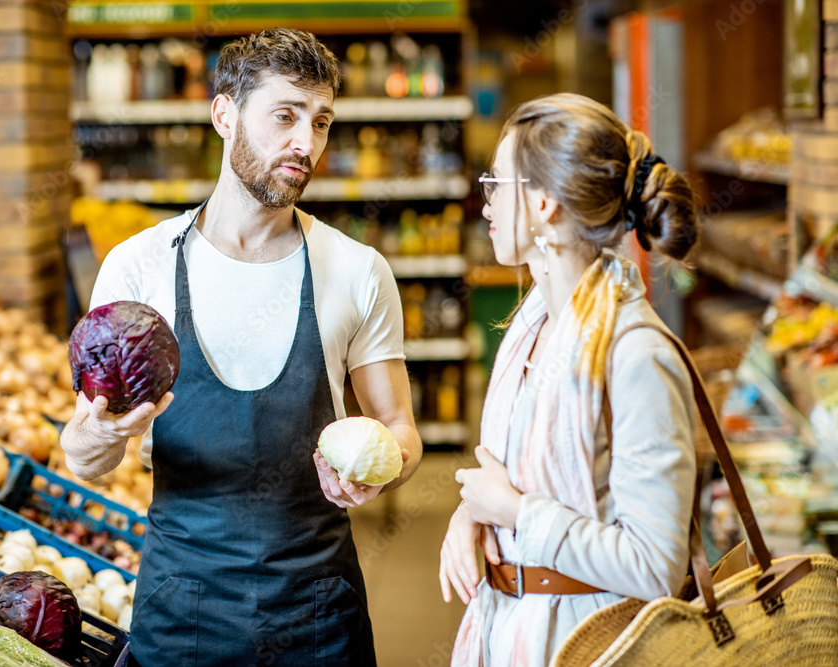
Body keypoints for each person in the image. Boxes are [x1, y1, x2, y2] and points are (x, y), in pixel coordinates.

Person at [60, 28, 423, 666]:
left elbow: (401, 431)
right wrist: (106, 430)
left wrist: (382, 468)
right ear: (224, 114)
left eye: (321, 122)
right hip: (181, 614)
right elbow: (84, 460)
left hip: (318, 614)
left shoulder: (358, 270)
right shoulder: (139, 268)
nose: (305, 144)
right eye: (284, 116)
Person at [439, 93, 699, 666]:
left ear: (545, 202)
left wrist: (512, 514)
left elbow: (655, 565)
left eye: (497, 185)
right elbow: (515, 476)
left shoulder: (635, 355)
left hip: (595, 645)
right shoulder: (532, 329)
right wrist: (472, 515)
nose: (484, 205)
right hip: (515, 630)